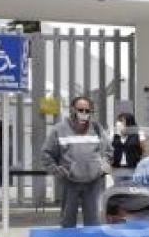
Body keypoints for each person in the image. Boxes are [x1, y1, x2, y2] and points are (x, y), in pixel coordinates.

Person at [41, 96, 112, 227]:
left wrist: (102, 168)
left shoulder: (97, 129)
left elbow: (108, 151)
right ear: (72, 110)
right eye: (80, 110)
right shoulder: (59, 129)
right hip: (69, 182)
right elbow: (46, 154)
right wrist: (57, 171)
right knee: (68, 220)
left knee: (93, 221)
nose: (84, 114)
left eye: (87, 111)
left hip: (93, 183)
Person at [110, 112, 144, 181]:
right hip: (118, 169)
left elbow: (143, 151)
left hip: (132, 169)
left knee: (132, 188)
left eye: (121, 121)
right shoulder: (115, 136)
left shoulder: (137, 135)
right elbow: (111, 151)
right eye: (118, 121)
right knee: (119, 190)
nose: (119, 123)